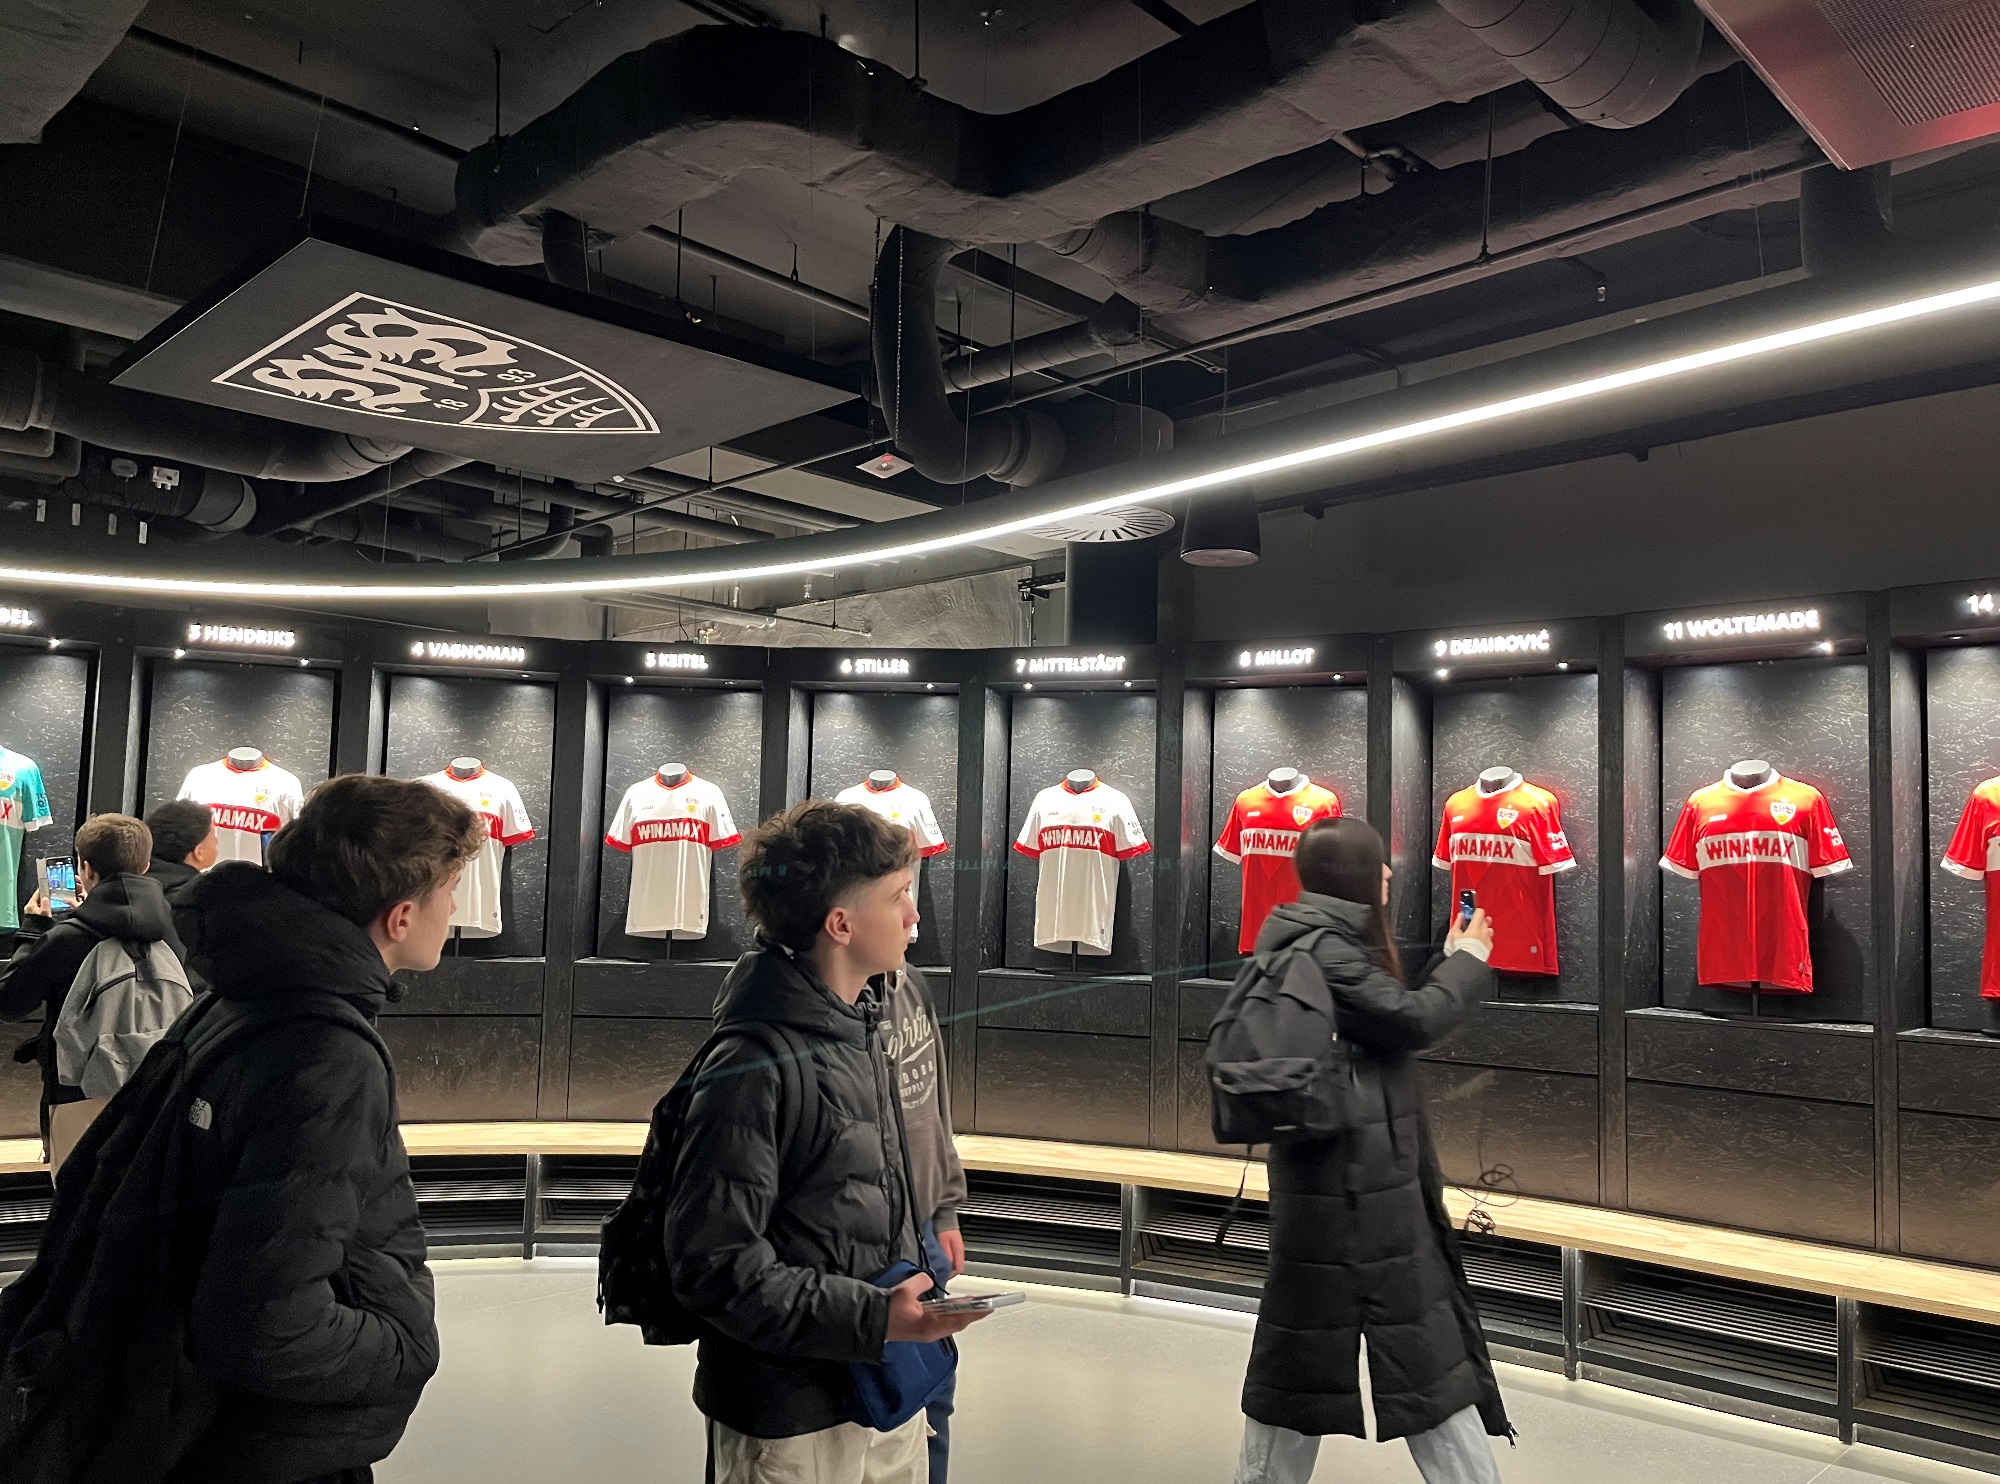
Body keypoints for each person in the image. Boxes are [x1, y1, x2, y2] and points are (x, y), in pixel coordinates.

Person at [668, 801, 987, 1484]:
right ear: (840, 925)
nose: (914, 915)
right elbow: (714, 1266)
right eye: (898, 897)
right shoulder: (751, 1066)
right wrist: (873, 1317)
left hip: (879, 1392)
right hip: (789, 1421)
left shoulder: (863, 1031)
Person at [1233, 816, 1511, 1484]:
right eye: (1377, 863)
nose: (1388, 873)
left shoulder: (1307, 939)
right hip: (1355, 1192)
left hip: (1345, 1183)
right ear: (1352, 876)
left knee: (1305, 1365)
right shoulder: (1322, 949)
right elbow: (1412, 1020)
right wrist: (1469, 960)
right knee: (1412, 1361)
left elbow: (1383, 1019)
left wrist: (1448, 960)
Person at [0, 812, 180, 1152]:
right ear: (145, 866)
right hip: (155, 1089)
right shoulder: (175, 927)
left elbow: (10, 1004)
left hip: (75, 1092)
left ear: (86, 869)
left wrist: (33, 930)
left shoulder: (68, 938)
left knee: (74, 1179)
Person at [881, 962, 966, 1484]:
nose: (914, 922)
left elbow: (935, 1103)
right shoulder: (838, 1005)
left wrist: (945, 1208)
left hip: (924, 1234)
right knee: (884, 1408)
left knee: (934, 1396)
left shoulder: (912, 986)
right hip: (875, 1246)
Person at [144, 798, 216, 957]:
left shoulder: (131, 884)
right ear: (198, 852)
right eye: (213, 837)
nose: (217, 841)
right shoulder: (198, 902)